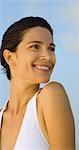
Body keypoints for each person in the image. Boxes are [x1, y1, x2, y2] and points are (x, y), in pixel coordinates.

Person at [0, 16, 75, 150]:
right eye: (35, 46)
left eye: (51, 49)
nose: (47, 56)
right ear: (10, 57)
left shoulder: (51, 95)